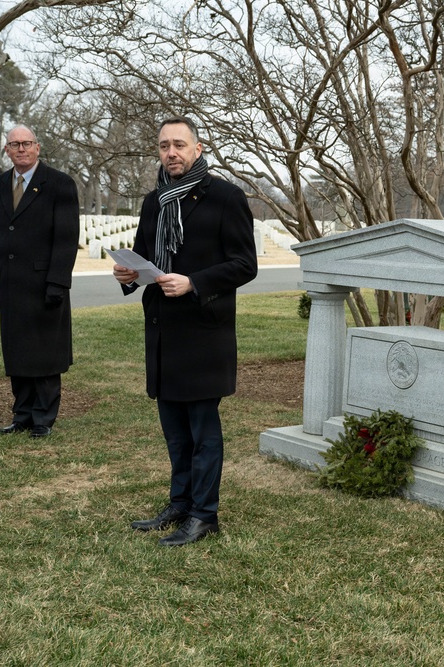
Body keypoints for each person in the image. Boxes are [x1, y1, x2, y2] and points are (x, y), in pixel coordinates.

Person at [113, 117, 258, 547]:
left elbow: (244, 264)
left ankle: (204, 514)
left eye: (179, 144)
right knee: (174, 429)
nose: (170, 153)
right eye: (163, 146)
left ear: (197, 148)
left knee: (202, 430)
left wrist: (194, 282)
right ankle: (179, 503)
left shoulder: (226, 197)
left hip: (202, 330)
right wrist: (127, 273)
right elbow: (142, 256)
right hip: (162, 329)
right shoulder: (154, 201)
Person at [0, 125, 79, 438]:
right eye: (14, 144)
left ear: (37, 147)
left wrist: (57, 283)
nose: (21, 149)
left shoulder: (59, 184)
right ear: (6, 150)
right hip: (11, 284)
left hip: (44, 284)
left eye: (26, 143)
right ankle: (21, 415)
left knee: (45, 354)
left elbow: (66, 238)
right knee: (18, 353)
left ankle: (42, 419)